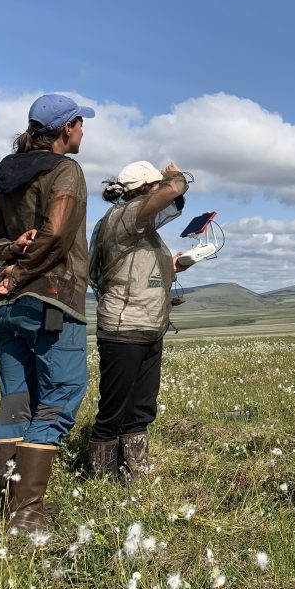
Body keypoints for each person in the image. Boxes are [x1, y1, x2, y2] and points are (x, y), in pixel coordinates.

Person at [0, 93, 94, 533]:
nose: (83, 133)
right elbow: (57, 237)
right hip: (50, 300)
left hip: (7, 308)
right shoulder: (66, 171)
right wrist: (23, 268)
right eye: (81, 125)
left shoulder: (6, 174)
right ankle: (27, 515)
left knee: (16, 401)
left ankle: (10, 505)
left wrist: (11, 257)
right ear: (68, 128)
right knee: (59, 398)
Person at [87, 160, 190, 480]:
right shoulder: (126, 217)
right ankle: (102, 482)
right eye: (156, 188)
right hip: (124, 327)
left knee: (140, 409)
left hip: (147, 326)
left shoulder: (141, 229)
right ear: (146, 190)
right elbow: (174, 189)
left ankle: (135, 476)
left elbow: (134, 273)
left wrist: (172, 267)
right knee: (114, 411)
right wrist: (173, 175)